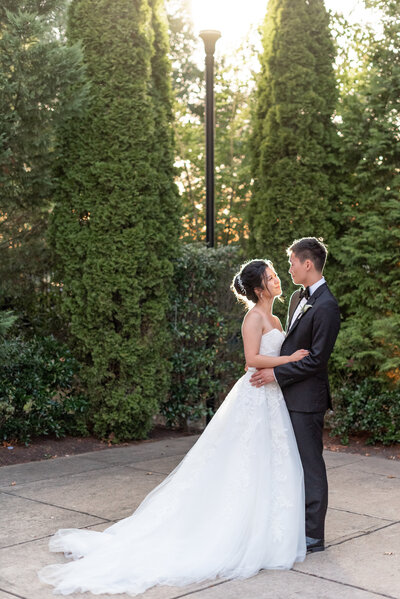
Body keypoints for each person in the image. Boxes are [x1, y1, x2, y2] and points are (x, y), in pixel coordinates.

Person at [39, 259, 307, 596]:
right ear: (257, 289)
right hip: (254, 395)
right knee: (243, 464)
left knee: (271, 464)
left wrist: (284, 365)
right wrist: (289, 360)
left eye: (275, 275)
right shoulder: (252, 318)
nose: (277, 279)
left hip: (272, 397)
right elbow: (251, 360)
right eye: (270, 277)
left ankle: (268, 531)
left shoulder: (276, 317)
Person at [250, 238, 340, 554]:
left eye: (291, 263)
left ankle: (314, 535)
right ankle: (293, 526)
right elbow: (289, 347)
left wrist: (276, 373)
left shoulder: (328, 306)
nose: (288, 269)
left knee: (310, 465)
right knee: (291, 465)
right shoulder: (294, 299)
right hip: (285, 397)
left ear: (307, 264)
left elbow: (316, 359)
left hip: (307, 401)